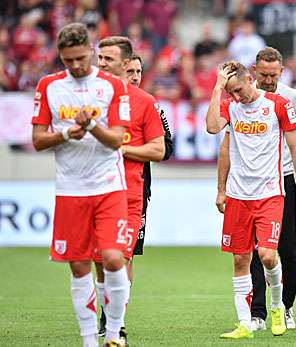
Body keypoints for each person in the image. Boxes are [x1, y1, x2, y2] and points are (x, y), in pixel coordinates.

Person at [31, 23, 131, 347]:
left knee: (114, 258)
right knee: (78, 265)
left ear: (90, 51)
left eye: (79, 58)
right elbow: (37, 140)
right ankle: (89, 340)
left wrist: (91, 126)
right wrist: (64, 133)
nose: (74, 66)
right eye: (67, 60)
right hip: (70, 188)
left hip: (108, 185)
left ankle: (114, 332)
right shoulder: (48, 86)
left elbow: (117, 139)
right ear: (60, 56)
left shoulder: (113, 86)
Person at [206, 61, 296, 339]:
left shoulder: (278, 105)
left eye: (238, 89)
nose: (237, 96)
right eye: (231, 92)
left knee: (267, 254)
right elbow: (212, 128)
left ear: (250, 79)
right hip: (239, 195)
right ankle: (244, 323)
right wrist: (218, 87)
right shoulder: (231, 106)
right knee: (240, 258)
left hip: (270, 193)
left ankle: (277, 307)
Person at [93, 36, 166, 345]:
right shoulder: (89, 97)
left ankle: (116, 325)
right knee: (98, 260)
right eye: (100, 59)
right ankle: (105, 318)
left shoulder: (146, 102)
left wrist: (121, 149)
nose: (102, 65)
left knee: (121, 259)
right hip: (93, 191)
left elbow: (160, 150)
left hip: (128, 194)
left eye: (108, 59)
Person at [126, 54, 174, 259]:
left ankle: (121, 293)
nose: (136, 77)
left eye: (138, 71)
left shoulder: (149, 105)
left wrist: (131, 149)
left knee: (126, 254)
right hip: (102, 187)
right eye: (130, 72)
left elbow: (167, 147)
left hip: (137, 188)